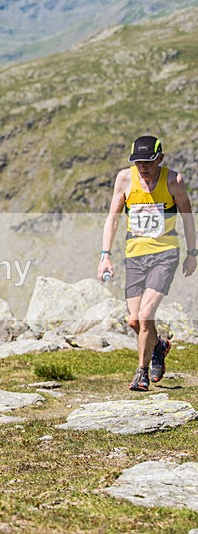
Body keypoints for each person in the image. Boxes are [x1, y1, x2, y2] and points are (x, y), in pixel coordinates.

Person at [98, 135, 197, 391]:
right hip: (135, 255)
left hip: (165, 254)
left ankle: (141, 373)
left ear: (160, 159)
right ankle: (159, 346)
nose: (143, 167)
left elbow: (187, 217)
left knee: (145, 315)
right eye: (138, 162)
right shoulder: (125, 179)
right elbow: (113, 218)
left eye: (148, 162)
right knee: (133, 320)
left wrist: (192, 252)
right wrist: (105, 256)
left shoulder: (173, 180)